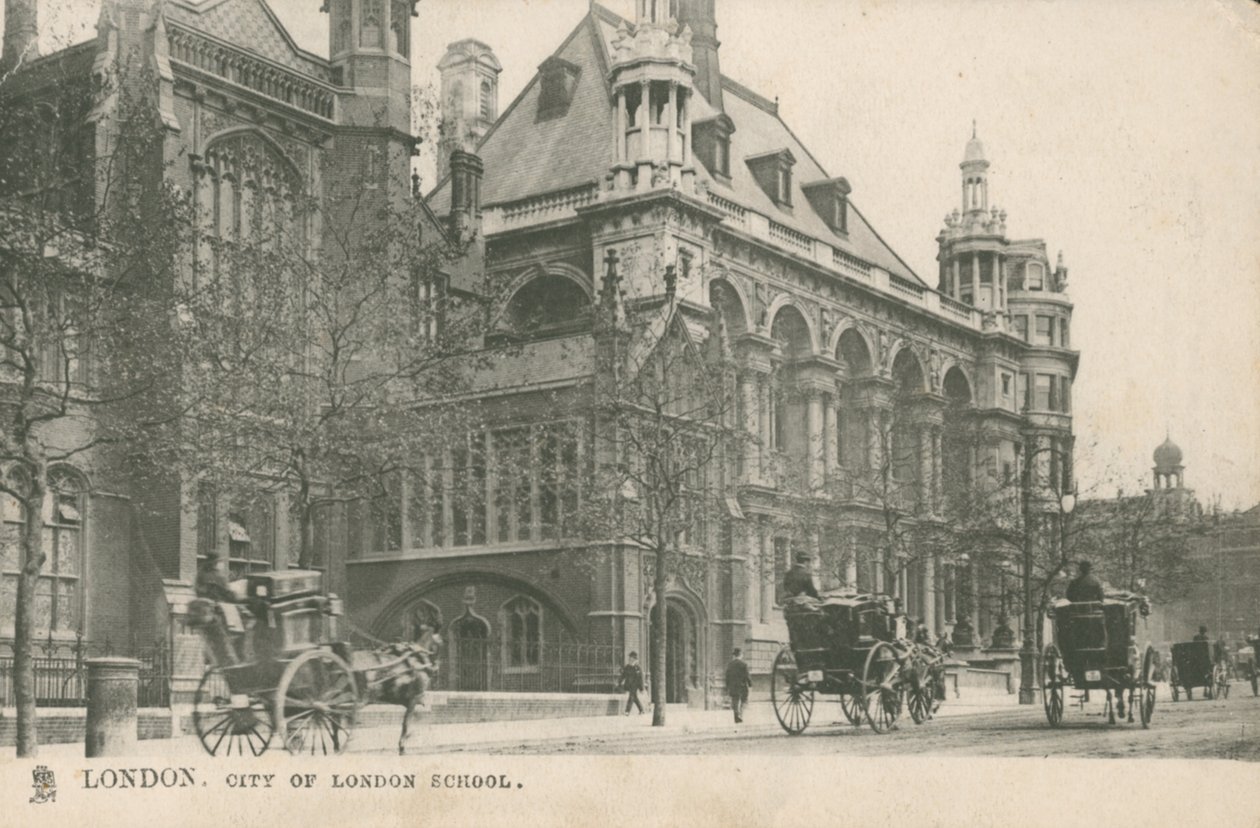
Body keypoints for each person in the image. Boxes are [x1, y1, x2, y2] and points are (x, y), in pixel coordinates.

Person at [724, 648, 752, 724]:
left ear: (734, 655)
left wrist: (727, 686)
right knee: (744, 700)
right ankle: (740, 715)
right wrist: (750, 684)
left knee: (735, 701)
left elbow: (727, 676)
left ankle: (736, 715)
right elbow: (747, 676)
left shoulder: (730, 664)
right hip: (742, 686)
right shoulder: (744, 664)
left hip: (733, 686)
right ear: (741, 655)